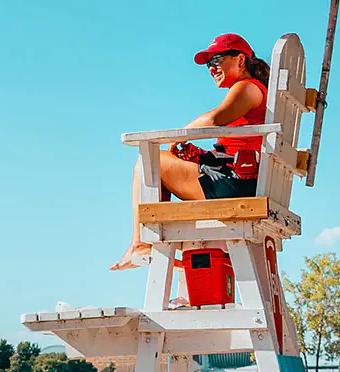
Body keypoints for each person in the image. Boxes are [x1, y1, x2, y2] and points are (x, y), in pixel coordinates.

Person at [110, 33, 274, 270]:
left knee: (150, 160)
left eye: (216, 59)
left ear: (240, 60)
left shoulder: (247, 87)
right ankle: (180, 275)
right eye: (209, 63)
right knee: (164, 163)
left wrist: (182, 133)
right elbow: (237, 145)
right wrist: (200, 156)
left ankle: (141, 242)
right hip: (240, 178)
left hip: (238, 186)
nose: (211, 68)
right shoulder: (252, 90)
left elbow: (217, 118)